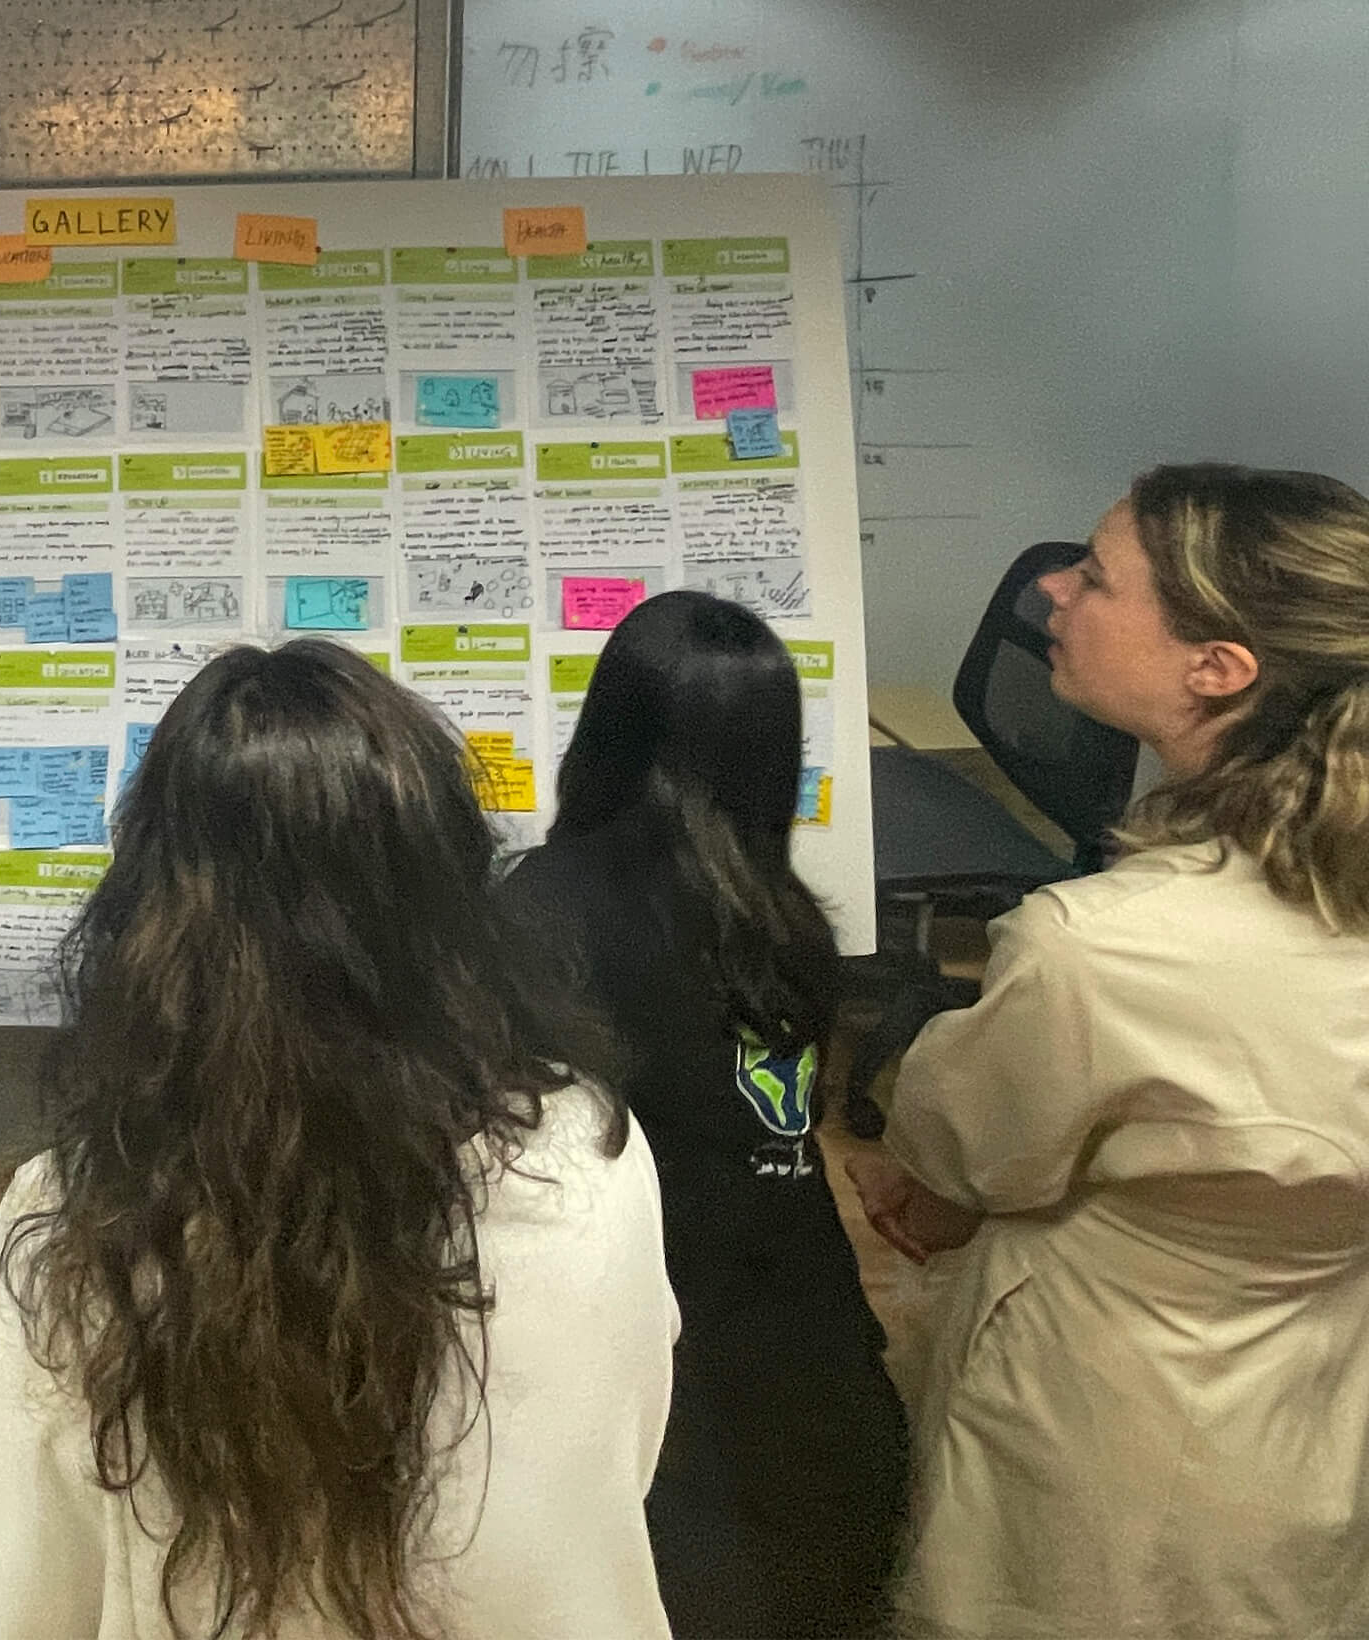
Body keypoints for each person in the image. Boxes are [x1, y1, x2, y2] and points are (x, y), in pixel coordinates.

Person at [0, 639, 676, 1640]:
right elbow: (618, 1455)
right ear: (447, 889)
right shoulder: (591, 1150)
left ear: (153, 910)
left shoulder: (84, 1212)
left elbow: (35, 1597)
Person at [848, 464, 1369, 1638]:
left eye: (1094, 574)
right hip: (1313, 1421)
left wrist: (926, 1180)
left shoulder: (1105, 949)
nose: (1048, 588)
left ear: (1220, 669)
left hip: (1104, 1446)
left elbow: (965, 1154)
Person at [502, 591, 905, 1638]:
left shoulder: (534, 913)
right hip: (814, 1370)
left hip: (667, 1384)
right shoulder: (787, 917)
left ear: (607, 734)